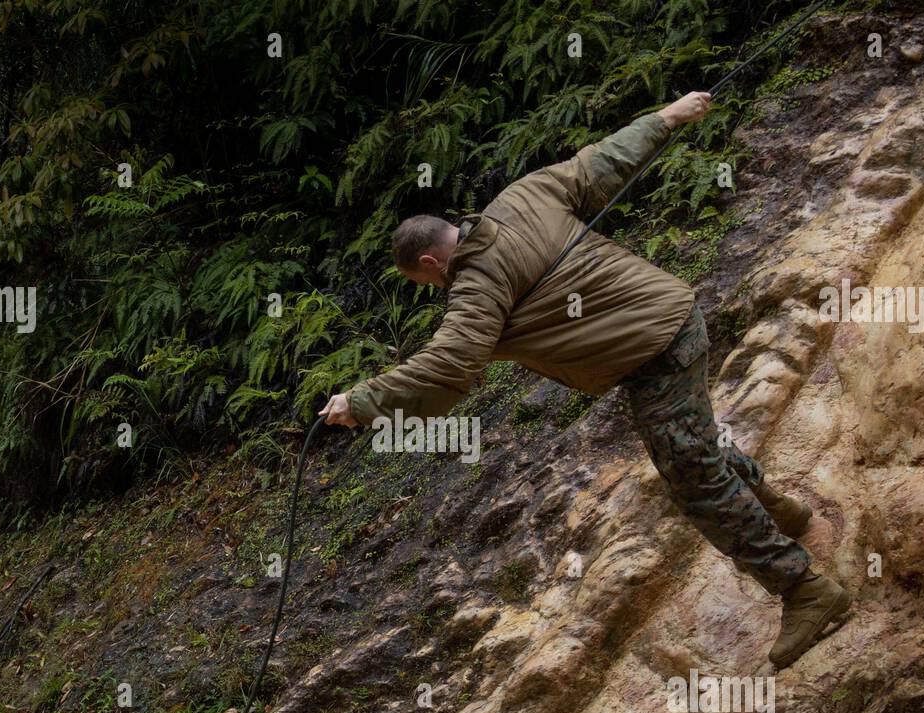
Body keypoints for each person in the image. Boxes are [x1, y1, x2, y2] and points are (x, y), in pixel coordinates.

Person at [319, 91, 851, 668]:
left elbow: (450, 363)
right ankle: (780, 510)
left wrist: (363, 400)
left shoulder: (473, 286)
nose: (436, 291)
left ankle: (806, 592)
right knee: (692, 441)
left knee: (692, 477)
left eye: (428, 285)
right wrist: (668, 115)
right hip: (673, 321)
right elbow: (601, 161)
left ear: (430, 264)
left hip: (654, 351)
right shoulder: (521, 198)